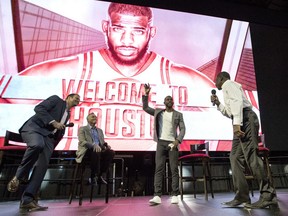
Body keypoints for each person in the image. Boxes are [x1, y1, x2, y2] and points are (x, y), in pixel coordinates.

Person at [19, 3, 214, 88]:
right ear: (106, 27)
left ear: (151, 33)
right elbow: (12, 92)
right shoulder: (77, 68)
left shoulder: (174, 75)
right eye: (119, 29)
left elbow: (222, 104)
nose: (127, 40)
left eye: (137, 31)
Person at [210, 71, 277, 209]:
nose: (215, 83)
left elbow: (237, 102)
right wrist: (218, 104)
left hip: (245, 120)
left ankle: (267, 195)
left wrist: (236, 125)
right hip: (240, 120)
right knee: (234, 157)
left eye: (216, 80)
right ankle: (242, 195)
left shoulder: (228, 84)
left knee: (252, 157)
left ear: (221, 79)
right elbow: (230, 112)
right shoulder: (227, 89)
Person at [7, 93, 80, 211]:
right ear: (68, 98)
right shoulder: (56, 100)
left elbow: (59, 132)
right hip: (34, 129)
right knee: (37, 145)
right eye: (76, 97)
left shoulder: (67, 114)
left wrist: (52, 145)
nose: (78, 100)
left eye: (79, 99)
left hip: (48, 139)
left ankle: (27, 200)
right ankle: (18, 176)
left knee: (42, 166)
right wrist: (52, 121)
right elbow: (38, 108)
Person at [142, 83, 185, 205]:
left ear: (173, 102)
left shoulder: (178, 114)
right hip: (161, 143)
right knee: (159, 168)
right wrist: (146, 94)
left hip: (173, 143)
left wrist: (177, 141)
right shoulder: (158, 112)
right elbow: (145, 108)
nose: (169, 100)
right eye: (167, 99)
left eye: (171, 99)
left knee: (173, 169)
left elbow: (183, 129)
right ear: (164, 102)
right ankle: (157, 196)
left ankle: (175, 194)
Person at [75, 112, 115, 185]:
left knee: (111, 152)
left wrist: (106, 145)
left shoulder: (100, 130)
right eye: (92, 117)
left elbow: (102, 143)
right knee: (95, 151)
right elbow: (82, 141)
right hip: (87, 150)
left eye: (95, 117)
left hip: (99, 150)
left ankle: (99, 175)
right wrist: (93, 145)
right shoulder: (83, 129)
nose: (95, 118)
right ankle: (93, 176)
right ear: (88, 119)